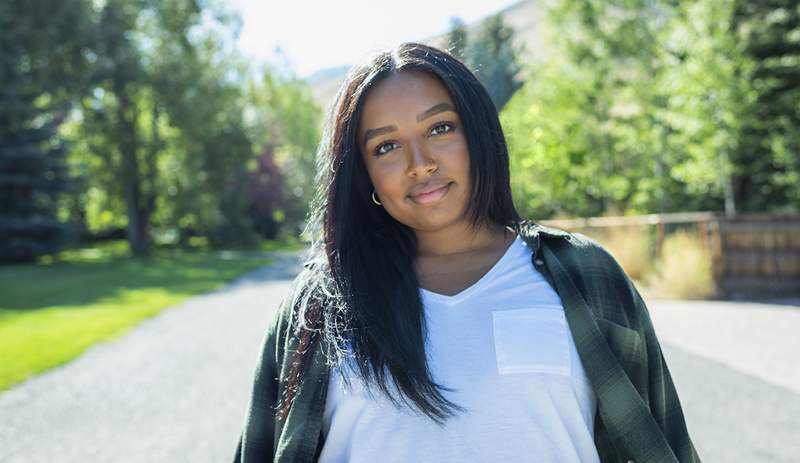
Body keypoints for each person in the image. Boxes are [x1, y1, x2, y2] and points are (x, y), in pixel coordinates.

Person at [234, 42, 700, 463]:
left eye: (440, 128)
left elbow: (665, 444)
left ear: (479, 134)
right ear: (364, 175)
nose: (421, 165)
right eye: (387, 146)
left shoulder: (585, 275)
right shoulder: (318, 306)